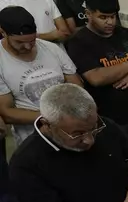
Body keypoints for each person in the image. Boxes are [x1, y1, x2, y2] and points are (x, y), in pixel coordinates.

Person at [0, 6, 82, 146]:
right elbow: (7, 112)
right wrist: (53, 118)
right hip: (34, 138)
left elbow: (77, 85)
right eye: (19, 42)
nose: (27, 47)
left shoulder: (51, 48)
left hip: (69, 130)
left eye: (32, 41)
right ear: (2, 32)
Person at [65, 0, 128, 129]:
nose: (110, 22)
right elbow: (96, 77)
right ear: (88, 14)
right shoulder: (78, 42)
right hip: (115, 119)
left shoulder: (126, 33)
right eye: (103, 17)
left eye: (113, 16)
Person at [0, 0, 71, 44]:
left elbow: (65, 33)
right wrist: (51, 36)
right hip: (27, 60)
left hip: (59, 55)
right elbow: (10, 37)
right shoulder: (3, 4)